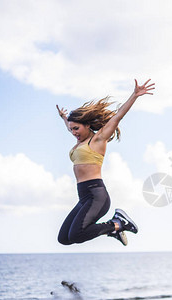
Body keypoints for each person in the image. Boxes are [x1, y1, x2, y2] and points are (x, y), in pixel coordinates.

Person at [56, 79, 155, 247]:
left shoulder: (97, 140)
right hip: (84, 197)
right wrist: (64, 118)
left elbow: (117, 117)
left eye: (76, 129)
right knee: (64, 238)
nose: (73, 133)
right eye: (71, 129)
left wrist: (135, 95)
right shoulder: (79, 141)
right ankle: (114, 230)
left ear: (87, 125)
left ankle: (117, 224)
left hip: (97, 196)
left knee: (77, 234)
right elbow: (70, 126)